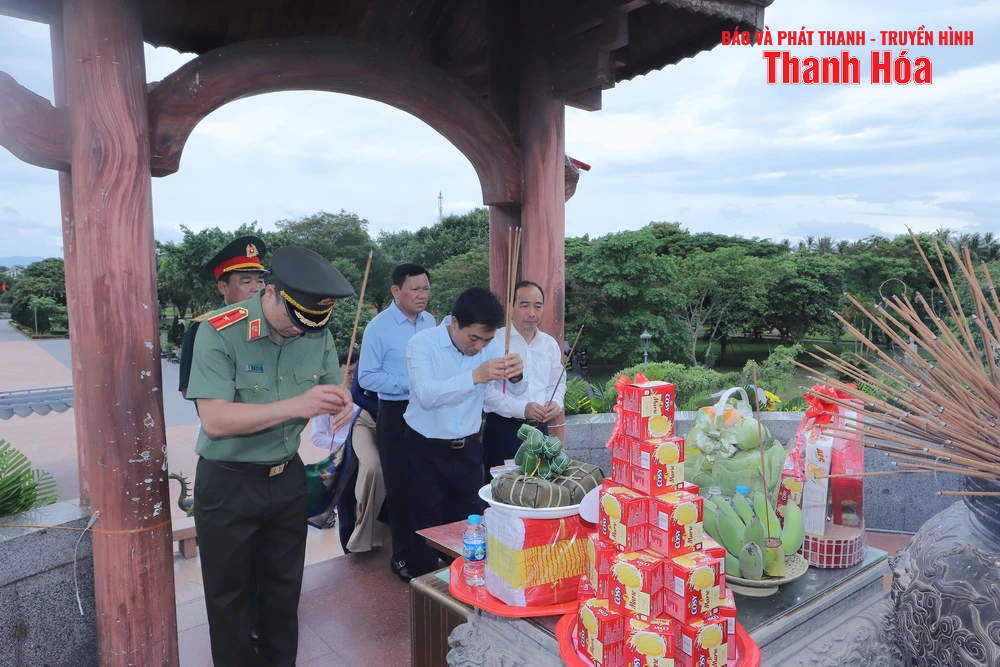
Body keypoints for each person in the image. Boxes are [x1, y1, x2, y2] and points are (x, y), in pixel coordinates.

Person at [185, 246, 355, 667]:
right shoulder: (219, 331)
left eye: (310, 324)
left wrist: (342, 401)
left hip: (285, 480)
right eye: (293, 320)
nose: (300, 331)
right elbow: (217, 420)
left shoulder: (317, 331)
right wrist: (298, 405)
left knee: (283, 594)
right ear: (274, 293)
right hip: (228, 483)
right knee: (230, 602)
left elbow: (335, 387)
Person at [403, 286, 525, 577]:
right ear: (455, 322)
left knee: (470, 522)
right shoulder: (421, 344)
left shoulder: (491, 345)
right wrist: (475, 375)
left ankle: (467, 586)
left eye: (487, 340)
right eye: (474, 338)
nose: (479, 347)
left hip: (469, 448)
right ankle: (426, 591)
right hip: (424, 448)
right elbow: (427, 395)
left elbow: (515, 388)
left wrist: (518, 375)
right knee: (425, 525)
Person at [357, 262, 435, 582]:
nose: (422, 295)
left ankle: (428, 547)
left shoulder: (430, 321)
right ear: (396, 291)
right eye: (415, 289)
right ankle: (402, 555)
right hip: (396, 414)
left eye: (426, 288)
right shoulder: (378, 327)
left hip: (428, 412)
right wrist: (409, 385)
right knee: (400, 486)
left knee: (427, 484)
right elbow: (367, 376)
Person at [482, 280, 566, 479]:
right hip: (504, 429)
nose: (532, 313)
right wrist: (522, 408)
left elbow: (558, 382)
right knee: (501, 492)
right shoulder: (494, 342)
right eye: (524, 305)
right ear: (511, 307)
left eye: (537, 306)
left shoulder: (549, 344)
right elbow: (485, 391)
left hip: (539, 429)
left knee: (538, 490)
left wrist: (556, 402)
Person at [310, 352, 389, 553]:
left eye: (356, 372)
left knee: (374, 504)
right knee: (347, 510)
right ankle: (349, 554)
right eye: (349, 372)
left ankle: (373, 545)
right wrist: (348, 443)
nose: (353, 377)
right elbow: (317, 436)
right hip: (346, 461)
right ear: (339, 371)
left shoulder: (368, 397)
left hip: (370, 458)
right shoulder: (331, 399)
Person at [178, 235, 269, 399]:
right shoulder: (204, 327)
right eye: (247, 282)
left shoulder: (272, 323)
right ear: (223, 287)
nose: (257, 288)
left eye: (260, 281)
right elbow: (189, 388)